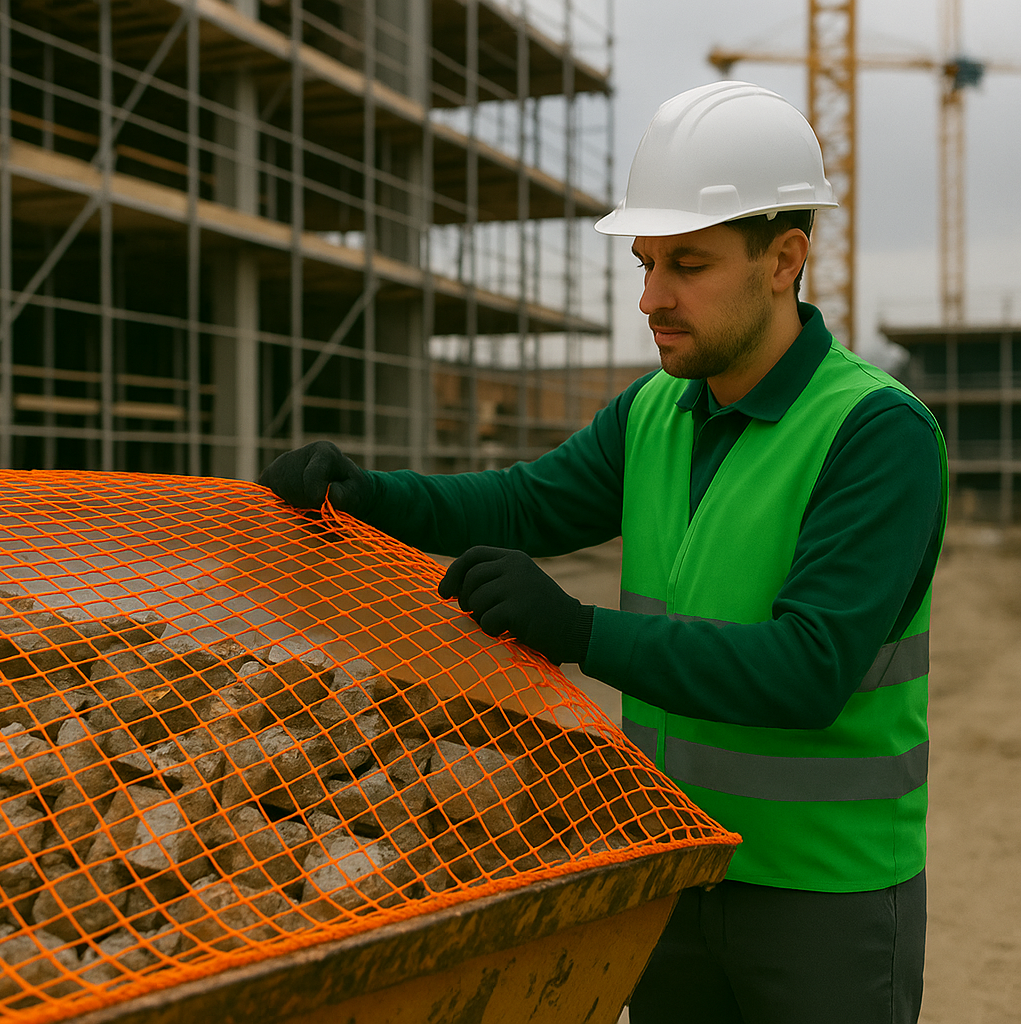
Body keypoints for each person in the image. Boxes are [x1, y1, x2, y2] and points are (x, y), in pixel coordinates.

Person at [260, 81, 948, 1024]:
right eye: (646, 261)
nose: (651, 298)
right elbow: (523, 503)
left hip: (825, 892)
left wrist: (578, 630)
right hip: (672, 860)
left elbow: (809, 669)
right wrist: (369, 495)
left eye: (689, 265)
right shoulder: (656, 410)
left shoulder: (876, 433)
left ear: (785, 259)